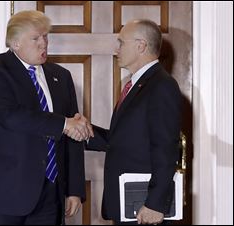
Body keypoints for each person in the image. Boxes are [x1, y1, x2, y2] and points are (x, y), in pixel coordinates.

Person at [0, 10, 93, 225]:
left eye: (45, 36)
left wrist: (74, 189)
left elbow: (73, 134)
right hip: (1, 195)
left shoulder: (61, 76)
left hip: (49, 196)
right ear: (15, 43)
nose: (43, 43)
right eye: (36, 38)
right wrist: (65, 124)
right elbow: (10, 116)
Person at [77, 19, 182, 224]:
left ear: (141, 45)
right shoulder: (135, 84)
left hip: (145, 205)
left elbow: (165, 148)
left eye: (121, 43)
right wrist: (85, 131)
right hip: (128, 202)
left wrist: (155, 204)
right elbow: (122, 140)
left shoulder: (161, 85)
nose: (117, 49)